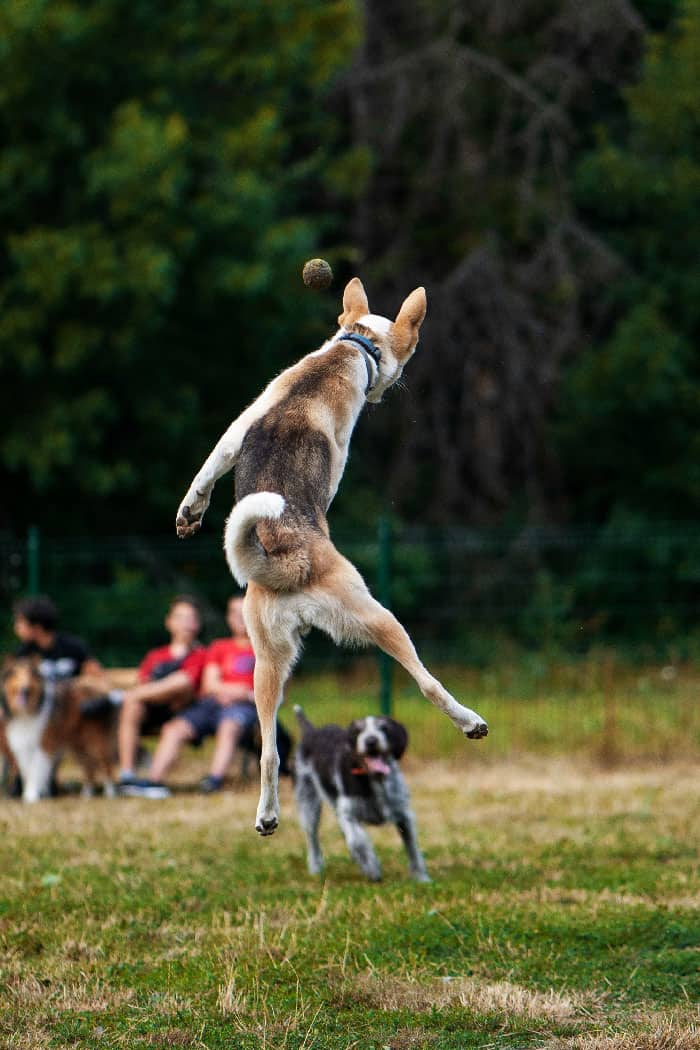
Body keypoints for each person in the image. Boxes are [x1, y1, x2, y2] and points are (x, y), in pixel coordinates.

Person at [126, 595, 259, 797]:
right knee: (174, 728)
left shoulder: (267, 648)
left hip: (244, 707)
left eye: (245, 610)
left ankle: (214, 780)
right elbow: (209, 684)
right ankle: (153, 781)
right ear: (228, 618)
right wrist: (234, 690)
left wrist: (245, 695)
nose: (240, 617)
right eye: (234, 612)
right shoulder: (218, 647)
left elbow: (274, 691)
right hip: (210, 704)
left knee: (229, 726)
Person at [116, 595, 207, 797]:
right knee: (132, 705)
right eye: (180, 617)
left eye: (190, 618)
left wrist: (140, 693)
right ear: (169, 622)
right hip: (152, 710)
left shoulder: (201, 655)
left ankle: (152, 780)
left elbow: (186, 684)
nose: (186, 623)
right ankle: (127, 775)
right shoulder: (156, 656)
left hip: (185, 712)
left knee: (173, 684)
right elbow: (144, 683)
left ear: (197, 624)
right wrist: (145, 693)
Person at [13, 595, 105, 682]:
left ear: (37, 627)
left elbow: (96, 677)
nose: (16, 628)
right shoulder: (24, 653)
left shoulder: (73, 647)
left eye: (20, 623)